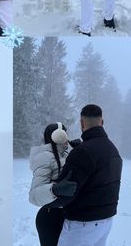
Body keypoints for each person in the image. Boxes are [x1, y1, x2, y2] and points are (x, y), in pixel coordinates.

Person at [50, 104, 122, 246]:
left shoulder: (83, 152)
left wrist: (46, 197)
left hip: (82, 226)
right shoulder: (113, 149)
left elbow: (64, 194)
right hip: (105, 222)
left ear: (82, 123)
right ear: (102, 122)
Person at [29, 123, 78, 246]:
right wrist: (55, 189)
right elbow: (33, 195)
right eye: (63, 135)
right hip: (50, 219)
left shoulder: (65, 155)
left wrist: (80, 151)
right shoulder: (44, 157)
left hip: (66, 217)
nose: (67, 138)